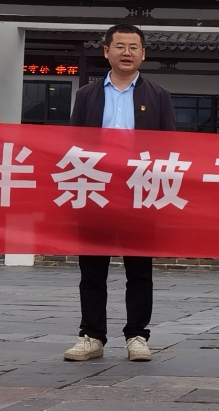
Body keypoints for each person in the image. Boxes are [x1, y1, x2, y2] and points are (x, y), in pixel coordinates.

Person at [62, 24, 175, 364]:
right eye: (120, 46)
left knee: (139, 270)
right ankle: (92, 335)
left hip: (139, 190)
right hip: (95, 187)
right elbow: (74, 143)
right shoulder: (87, 95)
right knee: (92, 269)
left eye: (133, 47)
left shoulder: (158, 96)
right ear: (106, 51)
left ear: (143, 53)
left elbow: (169, 146)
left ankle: (137, 336)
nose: (127, 53)